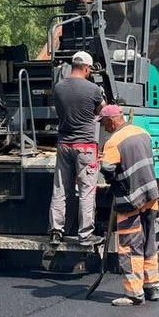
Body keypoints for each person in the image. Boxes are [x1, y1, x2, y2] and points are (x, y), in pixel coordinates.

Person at [99, 104, 159, 306]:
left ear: (112, 120)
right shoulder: (143, 133)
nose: (103, 127)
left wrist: (113, 182)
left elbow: (107, 169)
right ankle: (152, 286)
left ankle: (134, 293)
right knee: (149, 242)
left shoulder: (113, 142)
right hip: (151, 195)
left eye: (104, 123)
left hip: (130, 200)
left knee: (129, 246)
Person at [50, 51, 105, 246]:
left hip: (64, 144)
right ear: (87, 68)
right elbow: (102, 110)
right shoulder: (93, 89)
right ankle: (85, 235)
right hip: (86, 147)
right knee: (86, 191)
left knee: (60, 190)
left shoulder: (58, 87)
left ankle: (56, 231)